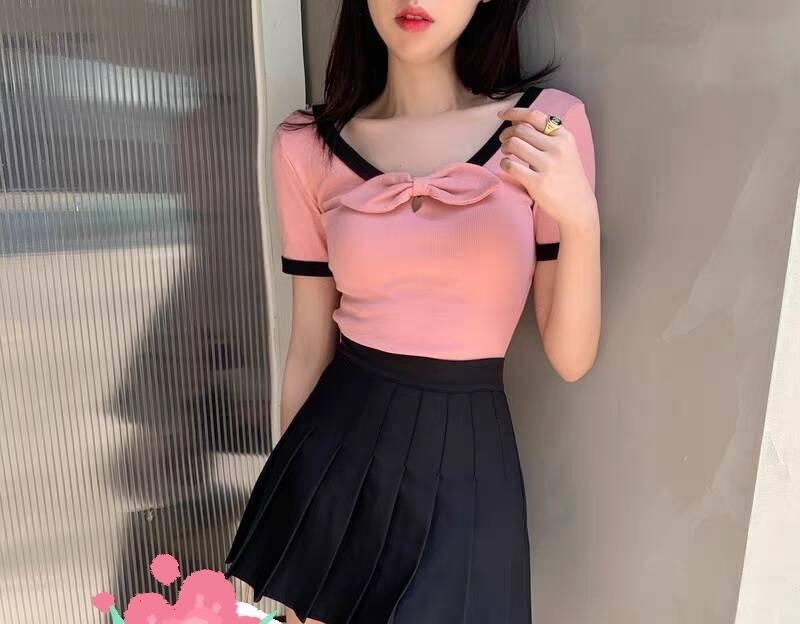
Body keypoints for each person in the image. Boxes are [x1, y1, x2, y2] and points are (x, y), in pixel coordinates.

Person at [224, 1, 601, 623]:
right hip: (338, 454)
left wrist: (581, 220)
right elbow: (309, 346)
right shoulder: (305, 144)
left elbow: (571, 357)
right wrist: (299, 517)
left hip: (468, 464)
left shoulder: (545, 126)